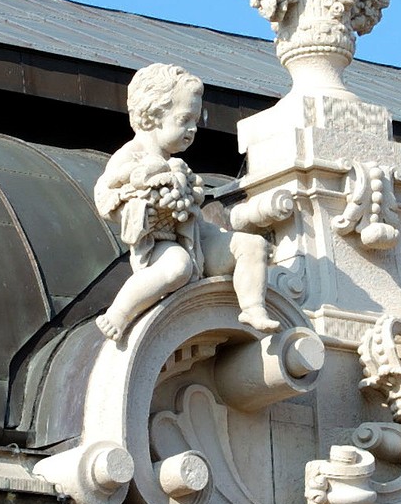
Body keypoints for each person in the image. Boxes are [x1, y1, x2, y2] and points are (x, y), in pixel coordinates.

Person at [94, 63, 280, 342]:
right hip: (160, 240)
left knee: (252, 245)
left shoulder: (176, 164)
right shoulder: (130, 156)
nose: (193, 129)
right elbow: (106, 195)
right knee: (177, 267)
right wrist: (142, 192)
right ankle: (119, 313)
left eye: (196, 120)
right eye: (185, 119)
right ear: (153, 115)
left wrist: (187, 190)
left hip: (196, 234)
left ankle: (252, 307)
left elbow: (190, 201)